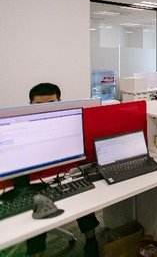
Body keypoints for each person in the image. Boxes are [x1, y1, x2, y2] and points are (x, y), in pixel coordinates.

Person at [27, 83, 100, 257]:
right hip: (34, 182)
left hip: (66, 175)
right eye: (39, 105)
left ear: (60, 102)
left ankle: (91, 239)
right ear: (30, 105)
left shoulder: (71, 123)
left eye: (51, 104)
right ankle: (36, 252)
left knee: (82, 196)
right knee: (36, 211)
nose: (45, 110)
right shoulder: (23, 128)